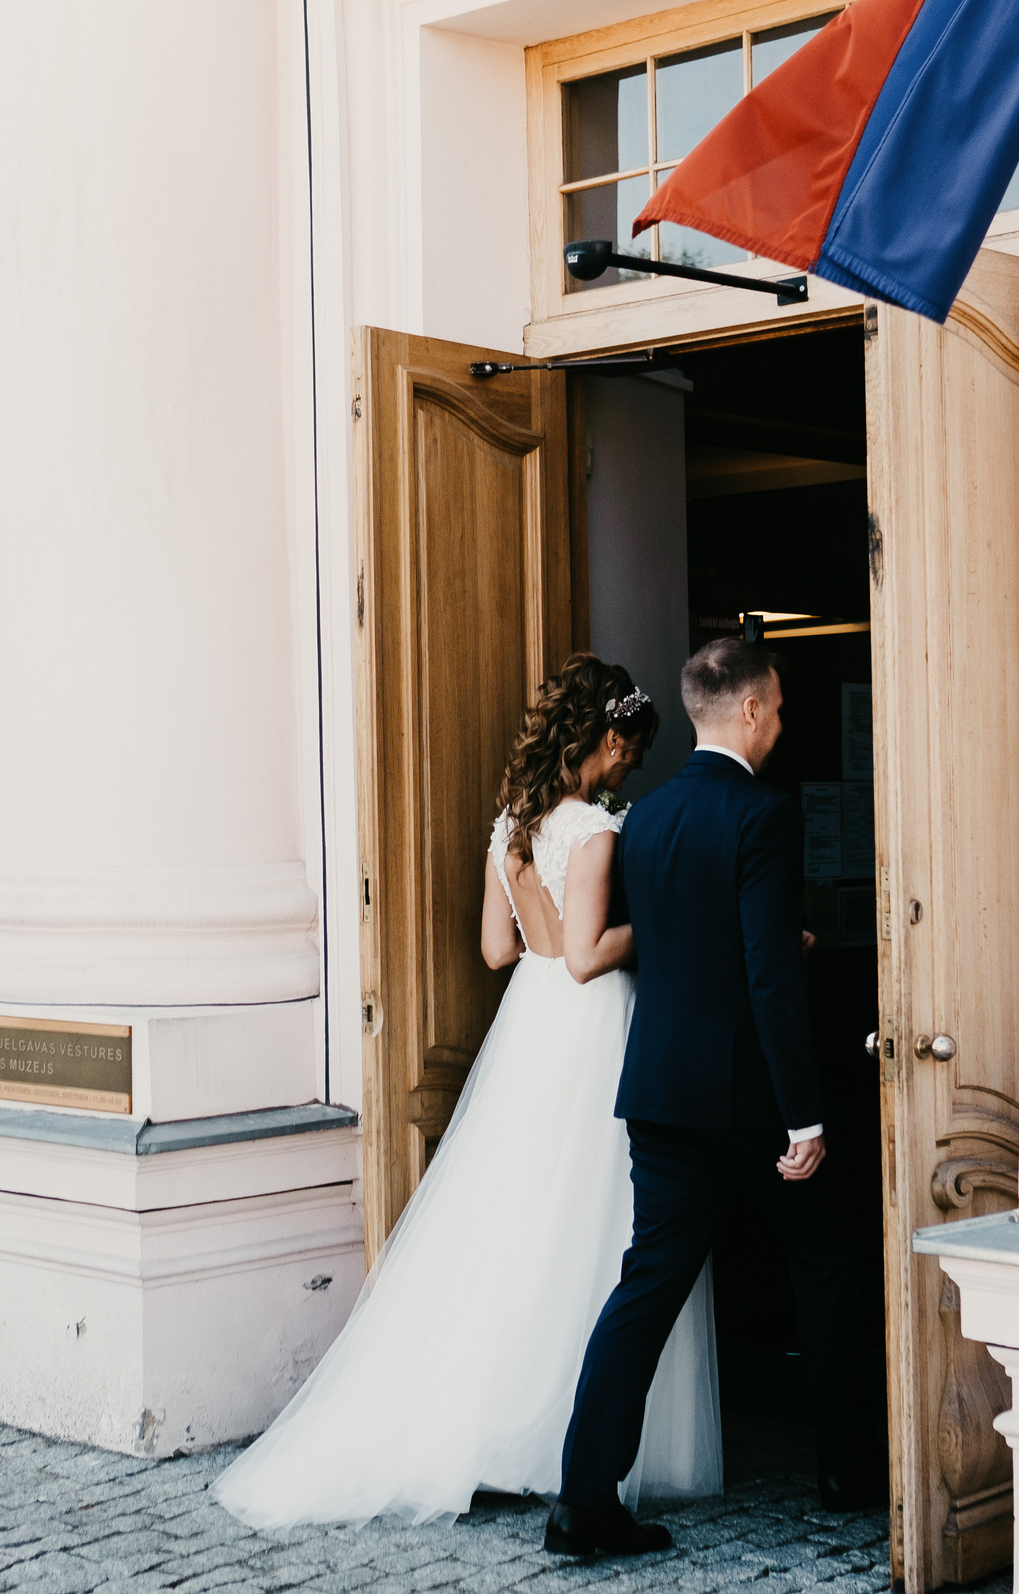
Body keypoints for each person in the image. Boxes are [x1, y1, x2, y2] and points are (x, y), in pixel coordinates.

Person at [213, 654, 721, 1527]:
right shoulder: (597, 832)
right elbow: (587, 956)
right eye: (630, 751)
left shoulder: (511, 825)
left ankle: (491, 1421)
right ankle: (557, 1437)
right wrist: (666, 922)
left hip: (529, 1027)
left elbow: (498, 949)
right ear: (607, 739)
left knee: (517, 1220)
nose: (631, 767)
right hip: (590, 1025)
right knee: (597, 1222)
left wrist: (550, 931)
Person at [547, 636, 849, 1559]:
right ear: (751, 709)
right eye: (779, 708)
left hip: (662, 1091)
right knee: (824, 1263)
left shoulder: (645, 816)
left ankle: (582, 1499)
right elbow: (766, 977)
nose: (781, 724)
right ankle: (849, 1471)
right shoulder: (765, 813)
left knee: (644, 1288)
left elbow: (679, 938)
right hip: (749, 1100)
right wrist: (804, 1114)